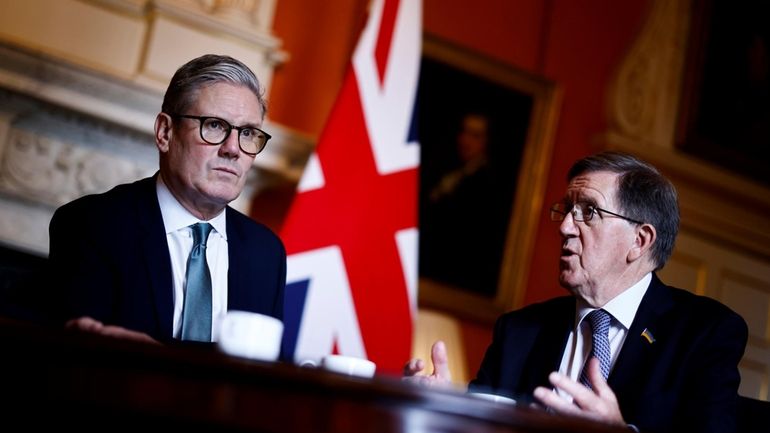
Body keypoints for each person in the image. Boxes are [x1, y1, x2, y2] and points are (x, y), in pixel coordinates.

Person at [406, 151, 748, 433]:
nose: (566, 227)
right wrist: (444, 413)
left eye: (589, 211)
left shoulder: (705, 333)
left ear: (639, 241)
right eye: (567, 209)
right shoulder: (519, 332)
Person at [47, 54, 286, 344]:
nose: (233, 149)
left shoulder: (266, 253)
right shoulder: (93, 224)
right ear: (165, 132)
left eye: (247, 132)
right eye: (214, 125)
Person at [420, 113, 509, 296]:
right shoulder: (448, 169)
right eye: (465, 132)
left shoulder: (486, 184)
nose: (466, 140)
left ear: (487, 142)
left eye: (475, 136)